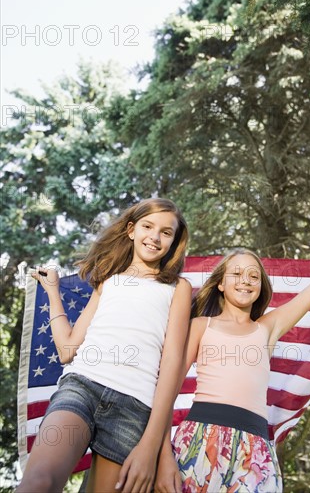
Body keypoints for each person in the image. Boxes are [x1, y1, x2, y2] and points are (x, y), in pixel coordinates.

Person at [154, 248, 310, 493]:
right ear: (220, 284)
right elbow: (167, 390)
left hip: (254, 449)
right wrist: (163, 457)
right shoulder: (201, 326)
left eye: (254, 276)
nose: (245, 280)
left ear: (260, 288)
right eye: (236, 273)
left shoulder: (267, 328)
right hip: (201, 439)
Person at [17, 198, 192, 493]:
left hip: (134, 408)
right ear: (131, 230)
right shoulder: (109, 281)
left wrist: (153, 447)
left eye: (166, 232)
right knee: (40, 482)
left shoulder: (178, 288)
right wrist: (53, 291)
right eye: (148, 226)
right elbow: (67, 349)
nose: (155, 236)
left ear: (174, 241)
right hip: (82, 387)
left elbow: (172, 364)